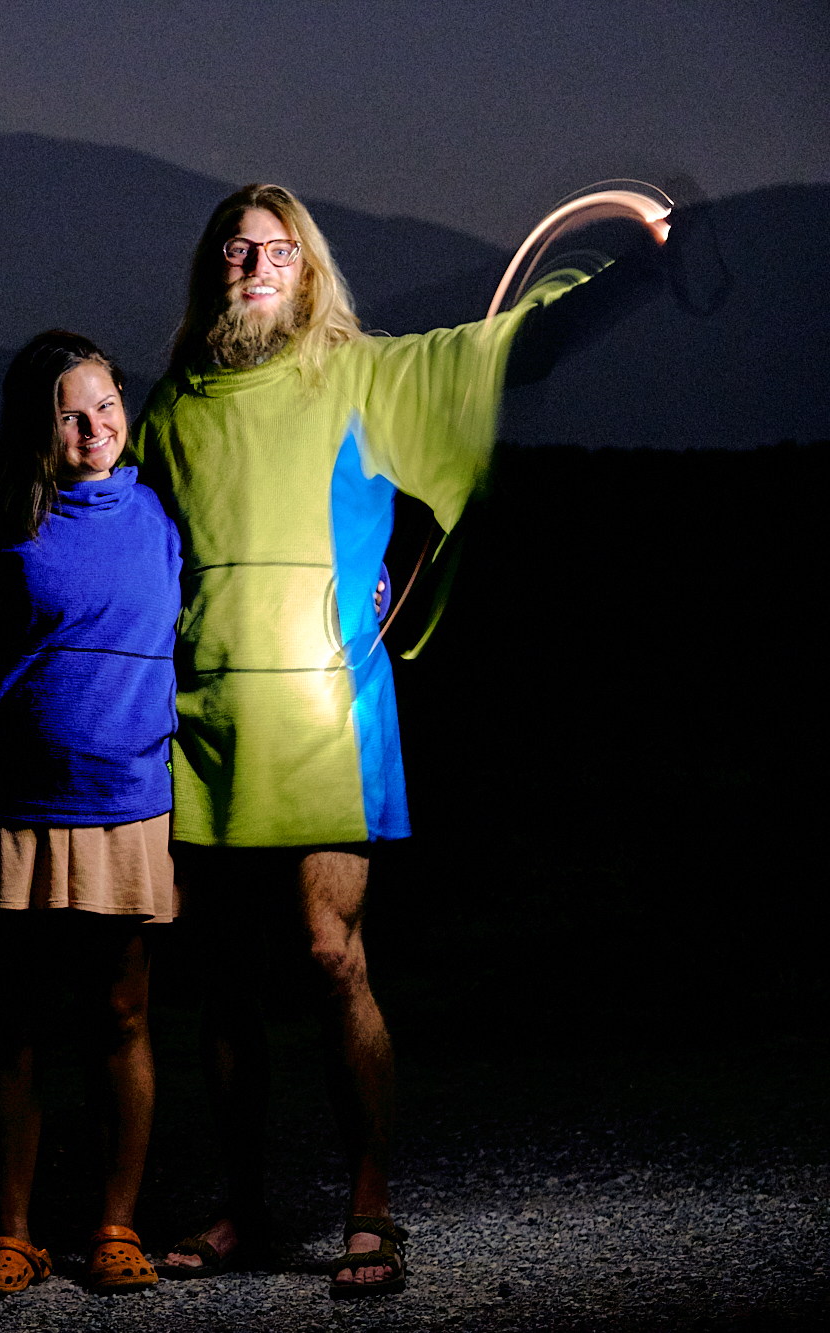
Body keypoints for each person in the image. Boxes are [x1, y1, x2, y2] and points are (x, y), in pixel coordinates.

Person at [128, 183, 678, 1299]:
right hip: (208, 720)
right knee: (227, 985)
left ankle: (369, 1209)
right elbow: (126, 546)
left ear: (308, 268)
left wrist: (627, 267)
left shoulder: (362, 375)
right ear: (209, 271)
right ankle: (240, 1208)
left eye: (274, 250)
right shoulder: (172, 404)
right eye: (234, 251)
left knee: (331, 958)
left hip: (328, 712)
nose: (252, 266)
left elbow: (504, 351)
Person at [0, 330, 184, 1297]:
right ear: (37, 427)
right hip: (19, 812)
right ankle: (12, 1234)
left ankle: (116, 1227)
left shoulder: (161, 520)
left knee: (122, 1016)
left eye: (107, 405)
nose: (94, 428)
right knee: (16, 1029)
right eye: (69, 413)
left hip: (129, 804)